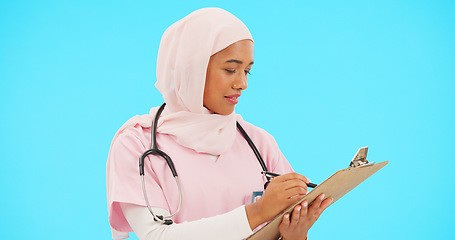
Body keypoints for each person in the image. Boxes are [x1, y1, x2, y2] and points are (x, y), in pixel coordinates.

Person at [106, 7, 332, 240]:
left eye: (247, 71)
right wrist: (256, 212)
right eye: (230, 69)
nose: (242, 83)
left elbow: (280, 227)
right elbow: (157, 235)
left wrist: (295, 235)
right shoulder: (136, 144)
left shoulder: (258, 141)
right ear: (191, 68)